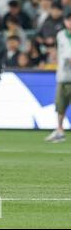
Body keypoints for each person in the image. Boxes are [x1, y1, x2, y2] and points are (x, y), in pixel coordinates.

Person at [45, 12, 71, 143]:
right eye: (68, 20)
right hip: (63, 76)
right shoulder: (60, 35)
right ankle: (60, 130)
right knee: (60, 105)